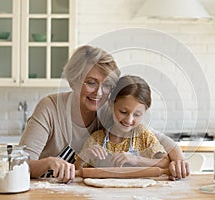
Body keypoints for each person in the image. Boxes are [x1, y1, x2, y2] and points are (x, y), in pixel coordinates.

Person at [19, 45, 189, 183]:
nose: (99, 92)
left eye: (107, 85)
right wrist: (49, 162)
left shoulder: (108, 111)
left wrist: (179, 162)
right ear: (73, 80)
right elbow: (19, 164)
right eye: (91, 83)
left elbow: (159, 139)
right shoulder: (50, 108)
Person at [75, 75, 170, 169]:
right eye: (123, 112)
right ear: (111, 104)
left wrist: (136, 159)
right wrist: (82, 158)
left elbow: (165, 163)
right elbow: (76, 171)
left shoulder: (143, 136)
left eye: (137, 115)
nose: (129, 120)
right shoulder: (96, 139)